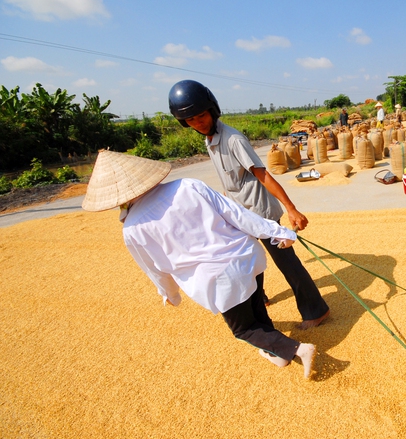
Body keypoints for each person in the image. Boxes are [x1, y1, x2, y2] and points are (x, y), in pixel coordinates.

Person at [81, 150, 317, 378]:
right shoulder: (187, 185)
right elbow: (236, 213)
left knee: (243, 329)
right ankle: (277, 353)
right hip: (246, 256)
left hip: (218, 277)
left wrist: (170, 294)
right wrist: (277, 232)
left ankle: (297, 349)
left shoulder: (132, 228)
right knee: (255, 306)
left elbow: (154, 269)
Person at [168, 80, 330, 331]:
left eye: (201, 115)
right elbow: (230, 179)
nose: (198, 122)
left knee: (287, 263)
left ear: (212, 110)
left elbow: (262, 175)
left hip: (261, 214)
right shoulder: (209, 139)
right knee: (244, 259)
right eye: (191, 120)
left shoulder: (233, 139)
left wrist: (290, 208)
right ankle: (259, 298)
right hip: (239, 214)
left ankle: (316, 310)